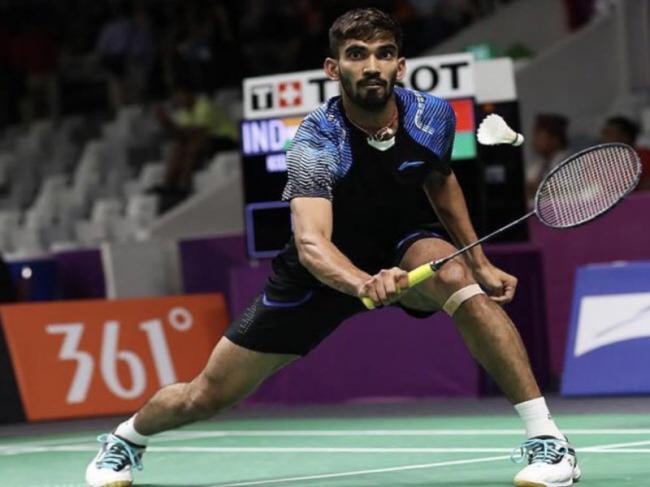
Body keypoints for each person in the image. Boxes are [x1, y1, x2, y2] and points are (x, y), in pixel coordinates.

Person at [85, 8, 580, 487]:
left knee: (457, 280)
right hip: (317, 276)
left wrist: (478, 260)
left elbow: (440, 181)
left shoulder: (432, 115)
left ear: (400, 66)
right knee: (206, 395)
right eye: (357, 54)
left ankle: (548, 440)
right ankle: (126, 440)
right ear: (333, 67)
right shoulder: (318, 140)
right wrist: (362, 283)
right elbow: (311, 242)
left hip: (403, 243)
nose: (372, 65)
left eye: (384, 53)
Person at [152, 82, 238, 210]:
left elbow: (198, 132)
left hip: (227, 140)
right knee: (178, 146)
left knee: (195, 144)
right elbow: (180, 135)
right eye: (176, 98)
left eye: (180, 96)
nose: (178, 100)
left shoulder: (205, 106)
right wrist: (166, 125)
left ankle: (185, 184)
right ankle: (169, 183)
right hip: (205, 141)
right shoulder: (183, 113)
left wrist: (170, 125)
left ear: (189, 94)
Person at [526, 113, 570, 205]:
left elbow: (566, 190)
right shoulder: (537, 166)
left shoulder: (569, 163)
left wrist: (536, 188)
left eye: (539, 136)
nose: (534, 141)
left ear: (555, 139)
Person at [599, 115, 650, 191]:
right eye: (603, 133)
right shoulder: (598, 160)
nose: (603, 137)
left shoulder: (644, 156)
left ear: (626, 137)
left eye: (609, 133)